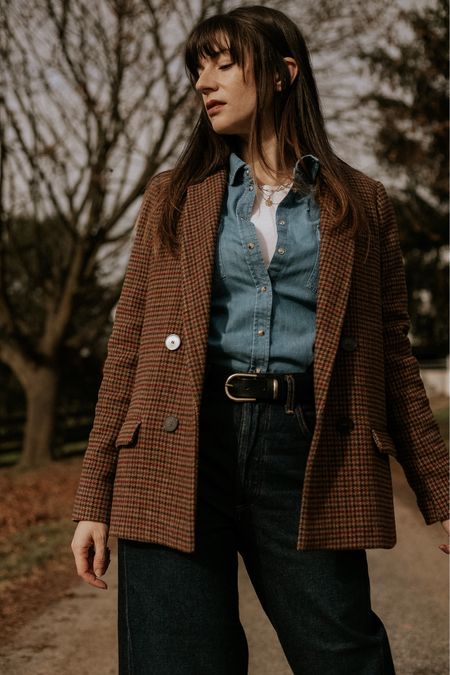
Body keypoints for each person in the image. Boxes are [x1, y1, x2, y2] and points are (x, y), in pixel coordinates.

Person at [71, 5, 449, 674]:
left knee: (346, 655)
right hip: (175, 444)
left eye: (222, 63)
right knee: (177, 661)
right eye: (197, 67)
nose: (202, 82)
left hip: (306, 451)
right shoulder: (172, 197)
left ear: (282, 74)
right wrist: (93, 498)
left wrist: (440, 493)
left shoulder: (361, 203)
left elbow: (394, 357)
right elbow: (125, 350)